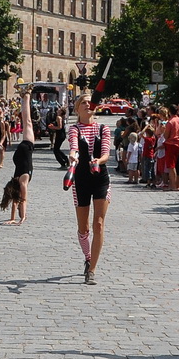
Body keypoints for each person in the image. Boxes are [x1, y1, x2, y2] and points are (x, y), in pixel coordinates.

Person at [67, 95, 112, 284]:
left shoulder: (104, 128)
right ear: (77, 109)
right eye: (83, 103)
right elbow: (74, 146)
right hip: (82, 179)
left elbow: (106, 152)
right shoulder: (74, 129)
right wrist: (73, 156)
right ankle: (87, 257)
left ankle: (92, 269)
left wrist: (98, 161)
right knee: (83, 227)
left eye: (90, 102)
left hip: (100, 177)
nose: (88, 105)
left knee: (98, 224)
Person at [0, 89, 38, 225]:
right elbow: (23, 200)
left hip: (23, 148)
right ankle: (26, 96)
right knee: (26, 121)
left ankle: (25, 96)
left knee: (26, 121)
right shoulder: (22, 182)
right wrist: (21, 218)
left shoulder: (18, 180)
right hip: (26, 147)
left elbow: (17, 200)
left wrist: (13, 218)